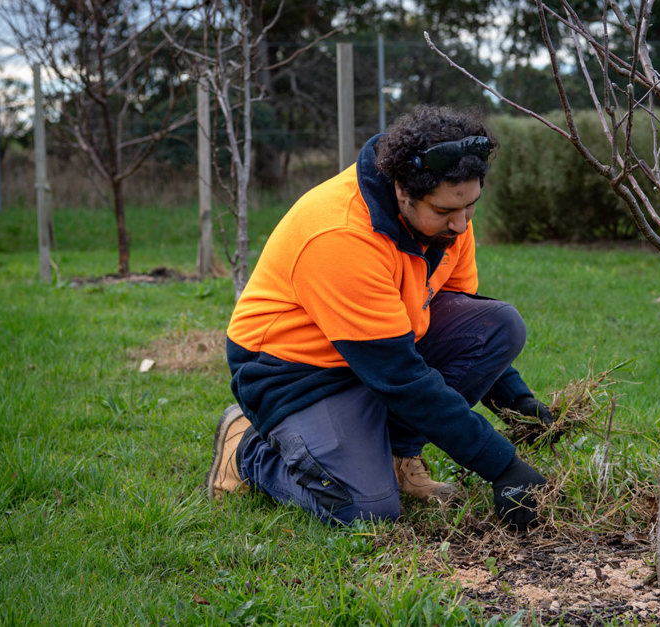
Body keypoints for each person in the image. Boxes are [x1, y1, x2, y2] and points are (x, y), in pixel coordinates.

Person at [205, 105, 552, 529]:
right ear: (402, 191)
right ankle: (247, 453)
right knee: (365, 509)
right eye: (445, 212)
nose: (461, 225)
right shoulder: (341, 236)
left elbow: (459, 319)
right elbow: (402, 378)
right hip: (292, 371)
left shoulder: (447, 214)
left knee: (499, 324)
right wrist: (502, 466)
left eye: (471, 206)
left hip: (374, 351)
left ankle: (397, 458)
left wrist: (515, 398)